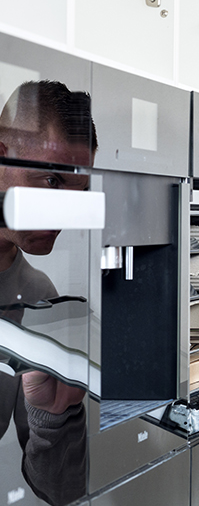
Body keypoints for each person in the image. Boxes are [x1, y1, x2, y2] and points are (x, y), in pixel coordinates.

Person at [0, 80, 96, 506]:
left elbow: (61, 491)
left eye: (79, 194)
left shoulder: (39, 295)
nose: (64, 215)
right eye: (52, 181)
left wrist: (54, 415)